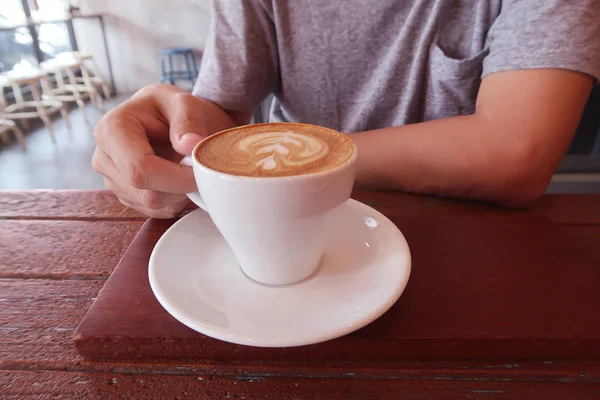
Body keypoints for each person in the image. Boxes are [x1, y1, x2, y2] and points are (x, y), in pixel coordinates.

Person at [92, 1, 600, 218]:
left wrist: (294, 161)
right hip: (283, 220)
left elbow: (514, 153)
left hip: (466, 247)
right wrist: (177, 136)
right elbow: (222, 113)